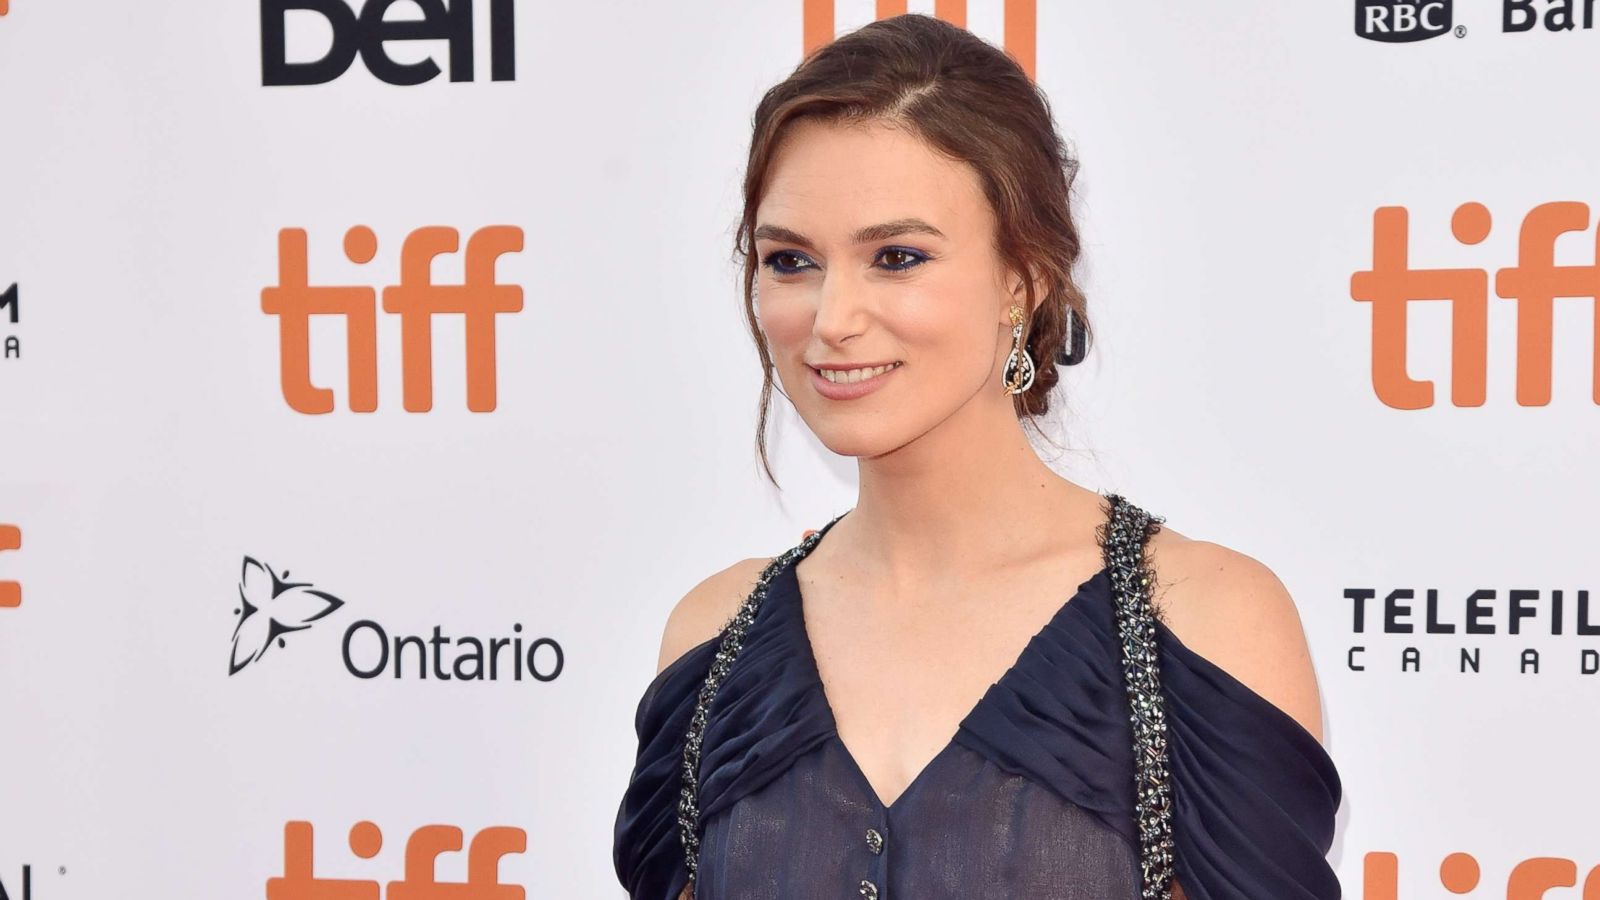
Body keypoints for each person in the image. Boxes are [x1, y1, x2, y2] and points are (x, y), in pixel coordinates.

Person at [614, 13, 1340, 900]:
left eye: (897, 256)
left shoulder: (1201, 622)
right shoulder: (712, 640)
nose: (832, 317)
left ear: (1022, 277)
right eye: (792, 260)